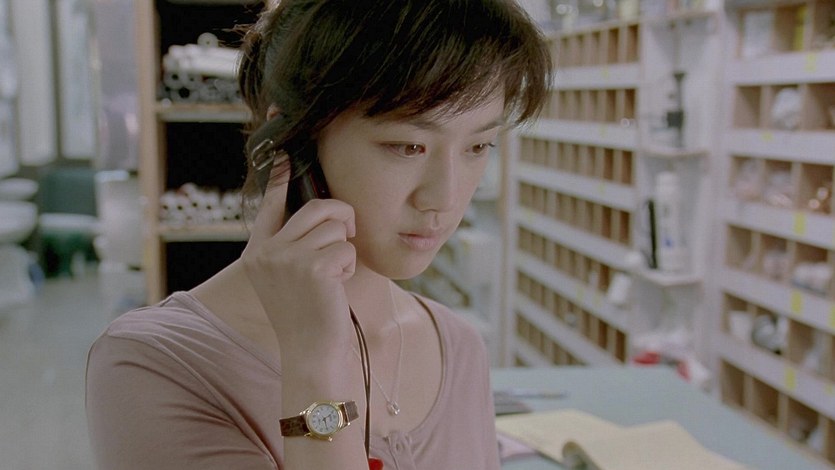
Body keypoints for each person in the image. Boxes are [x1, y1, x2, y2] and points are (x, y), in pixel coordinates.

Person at [85, 0, 550, 468]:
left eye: (478, 146)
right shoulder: (153, 363)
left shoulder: (458, 347)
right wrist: (313, 365)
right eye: (408, 146)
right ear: (293, 143)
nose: (444, 198)